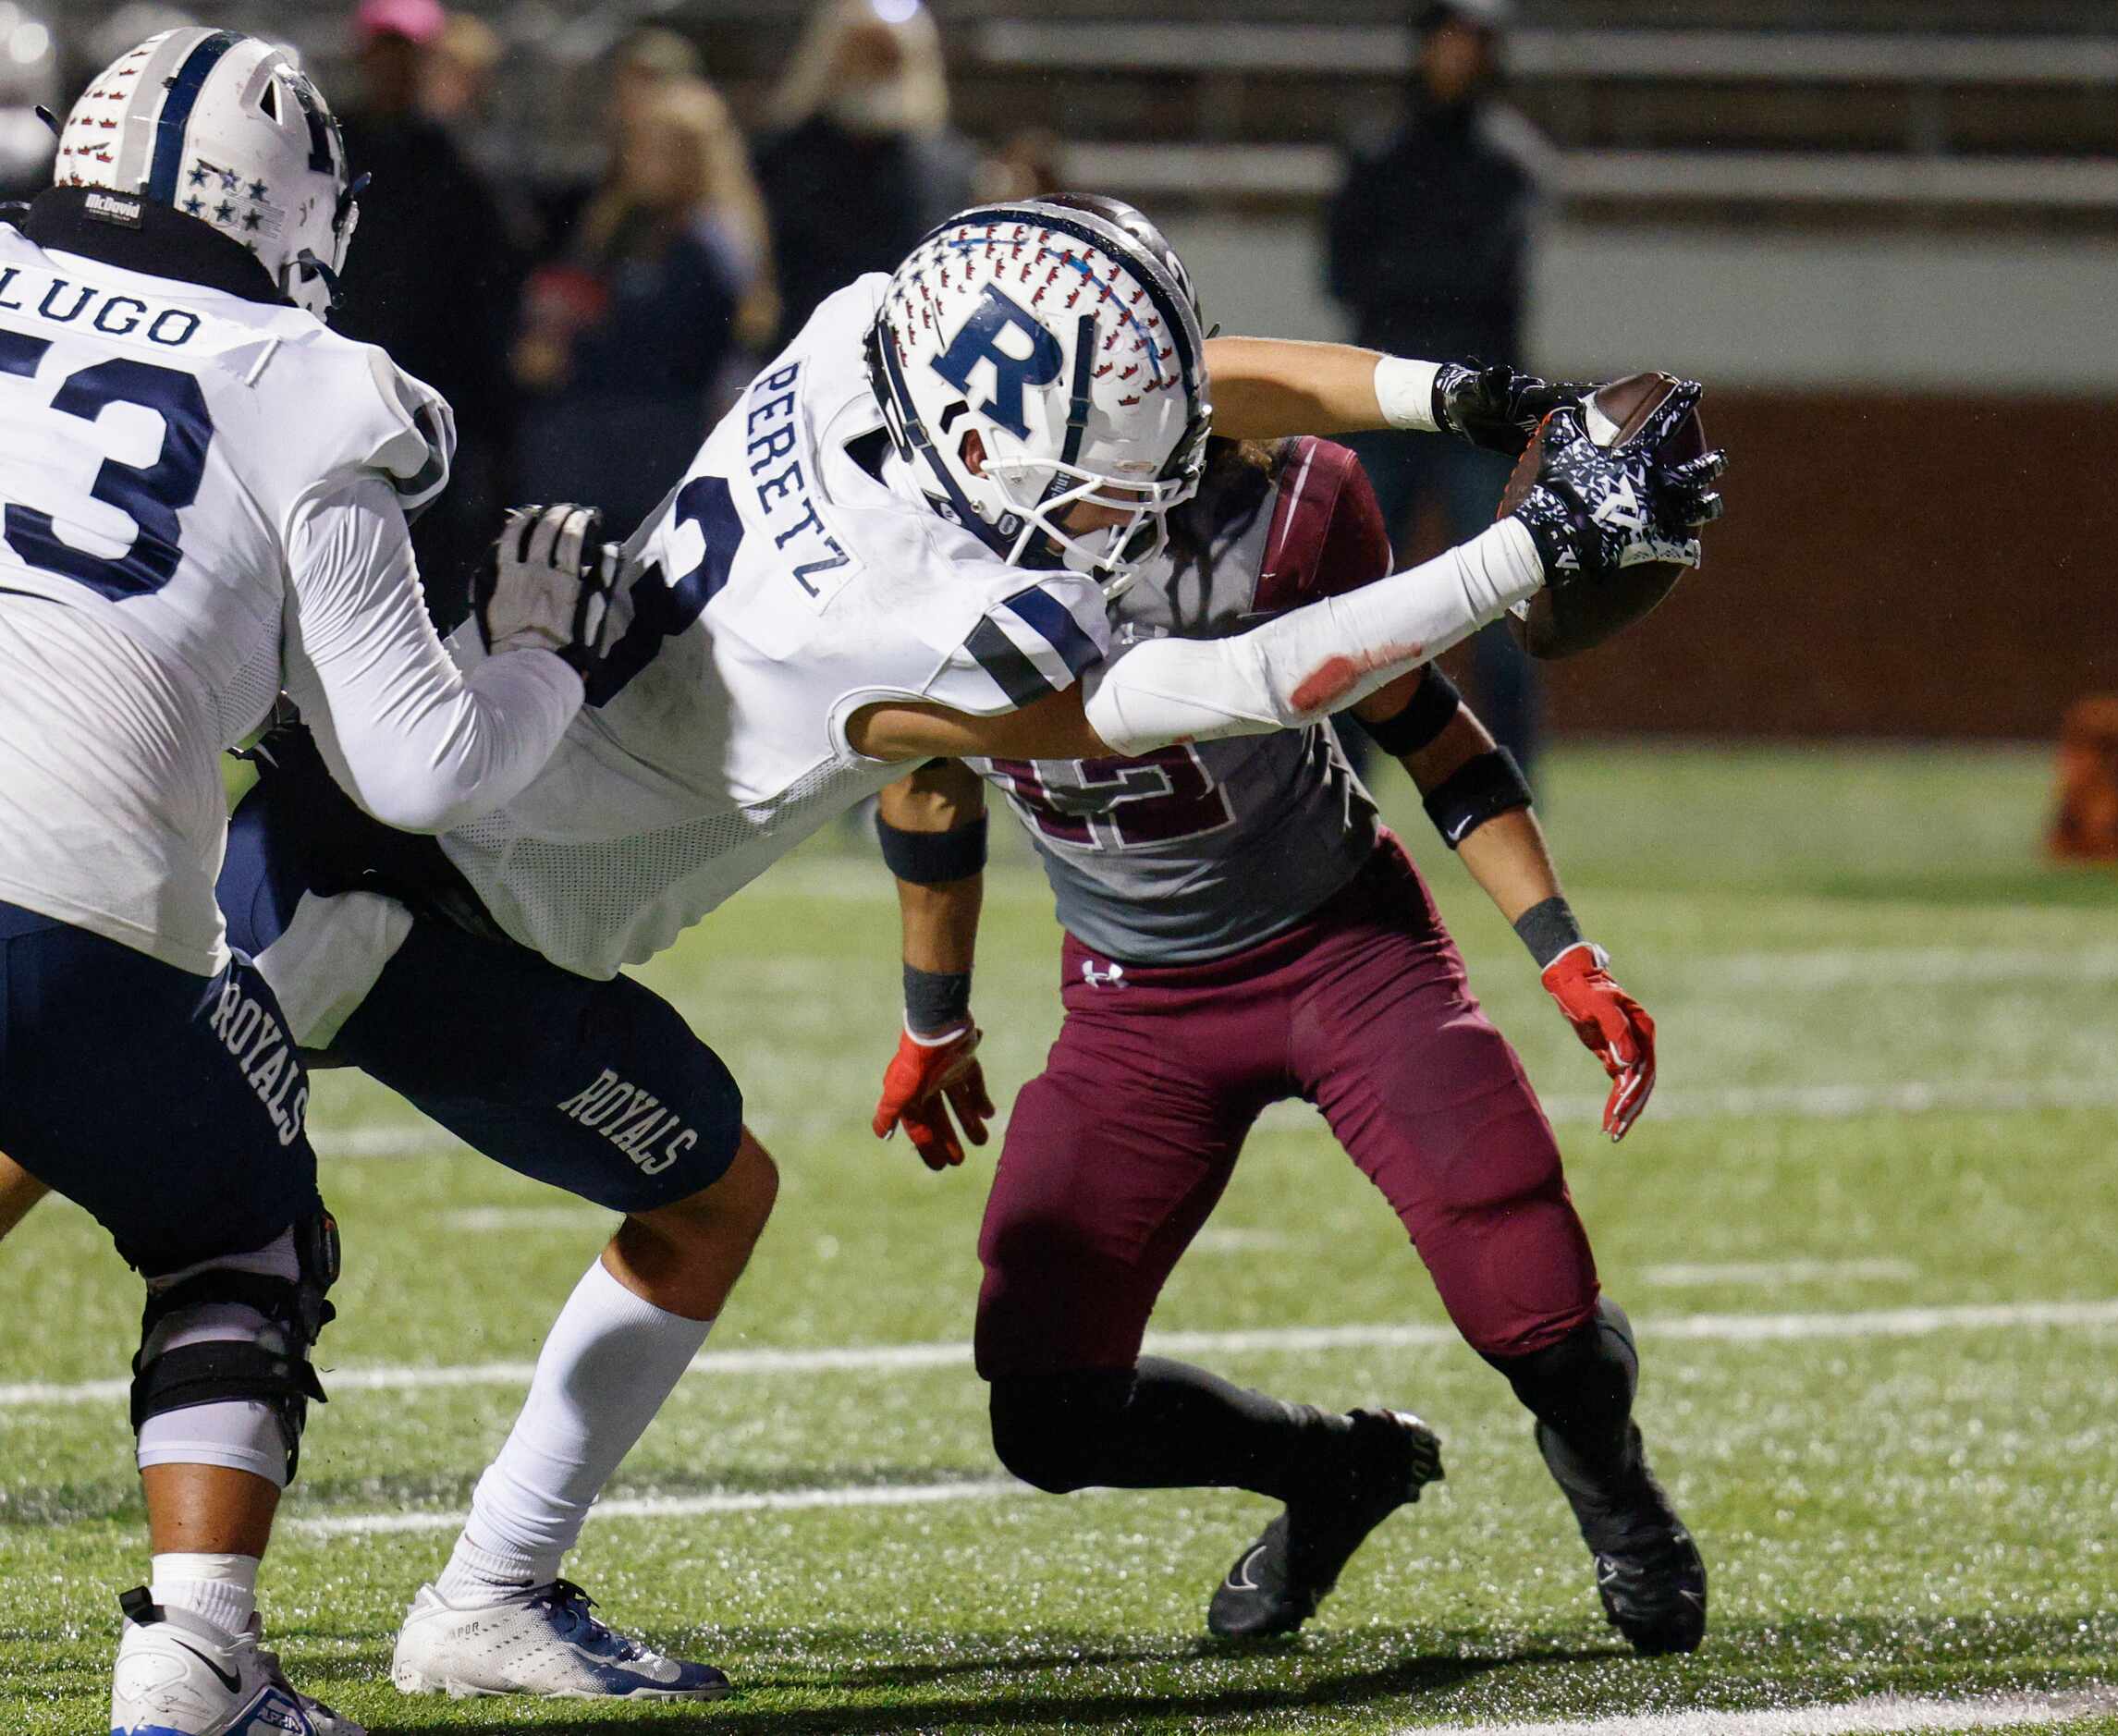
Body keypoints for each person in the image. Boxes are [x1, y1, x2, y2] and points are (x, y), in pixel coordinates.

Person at [0, 196, 1718, 1699]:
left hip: (434, 860)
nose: (1133, 503)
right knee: (128, 1151)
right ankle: (444, 1601)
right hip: (426, 902)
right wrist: (1512, 556)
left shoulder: (849, 337)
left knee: (692, 1186)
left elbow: (1205, 389)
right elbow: (1234, 683)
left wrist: (1467, 395)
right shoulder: (908, 632)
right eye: (1105, 481)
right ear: (992, 446)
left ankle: (487, 1598)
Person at [869, 425, 1706, 1653]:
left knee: (1532, 1300)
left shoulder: (1277, 510)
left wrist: (1564, 948)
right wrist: (930, 1016)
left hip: (1341, 946)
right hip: (1133, 999)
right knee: (1044, 1410)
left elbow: (1424, 722)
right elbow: (927, 781)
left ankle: (1613, 1484)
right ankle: (1329, 1470)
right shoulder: (920, 533)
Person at [28, 28, 608, 1733]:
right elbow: (419, 764)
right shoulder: (308, 376)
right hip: (62, 900)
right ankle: (196, 1654)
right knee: (236, 1223)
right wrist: (536, 657)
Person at [1328, 0, 1549, 773]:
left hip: (1472, 420)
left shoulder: (1509, 161)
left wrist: (1412, 290)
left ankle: (1511, 790)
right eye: (1447, 40)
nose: (1457, 58)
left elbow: (1494, 286)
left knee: (1503, 609)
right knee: (1357, 607)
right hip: (1384, 406)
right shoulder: (1377, 151)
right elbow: (1343, 273)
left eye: (1472, 43)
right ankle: (1344, 789)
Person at [513, 77, 770, 536]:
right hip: (589, 442)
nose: (650, 158)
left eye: (668, 146)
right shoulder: (613, 225)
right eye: (645, 143)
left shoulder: (713, 241)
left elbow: (686, 350)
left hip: (659, 444)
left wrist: (583, 344)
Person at [335, 0, 522, 626]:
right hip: (327, 405)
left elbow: (488, 305)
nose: (392, 66)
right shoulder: (326, 153)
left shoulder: (461, 171)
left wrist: (490, 434)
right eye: (382, 51)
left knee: (420, 600)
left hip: (425, 420)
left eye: (406, 53)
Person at [755, 0, 976, 344]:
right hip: (804, 341)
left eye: (886, 56)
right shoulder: (783, 157)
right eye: (863, 53)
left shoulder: (946, 164)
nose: (873, 69)